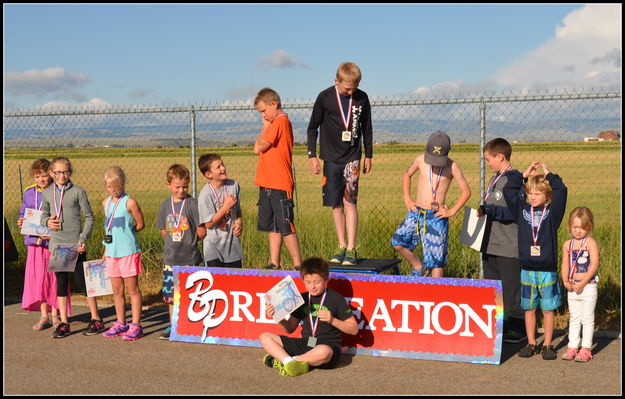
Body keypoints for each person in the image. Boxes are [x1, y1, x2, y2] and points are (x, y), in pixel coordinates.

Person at [306, 61, 373, 265]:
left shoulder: (362, 98)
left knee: (350, 202)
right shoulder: (325, 97)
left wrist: (368, 154)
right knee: (336, 205)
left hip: (352, 157)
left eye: (354, 88)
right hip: (330, 159)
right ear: (336, 81)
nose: (350, 91)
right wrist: (312, 155)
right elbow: (312, 128)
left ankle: (352, 248)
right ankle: (341, 245)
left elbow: (367, 128)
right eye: (346, 88)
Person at [503, 161, 568, 360]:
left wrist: (549, 175)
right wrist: (523, 175)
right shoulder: (521, 208)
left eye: (537, 194)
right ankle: (531, 343)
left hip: (547, 269)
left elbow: (562, 190)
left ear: (547, 196)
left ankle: (547, 344)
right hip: (527, 269)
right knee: (529, 309)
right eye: (529, 193)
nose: (532, 197)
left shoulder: (553, 212)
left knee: (548, 310)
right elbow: (508, 189)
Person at [259, 257, 358, 377]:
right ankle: (290, 362)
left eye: (317, 282)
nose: (312, 286)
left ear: (326, 279)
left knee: (323, 352)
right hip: (306, 344)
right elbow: (290, 328)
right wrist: (276, 317)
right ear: (303, 281)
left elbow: (353, 329)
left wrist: (333, 320)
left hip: (327, 346)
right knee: (264, 337)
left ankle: (287, 361)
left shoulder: (336, 298)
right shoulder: (301, 298)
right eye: (308, 282)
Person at [391, 130, 471, 278]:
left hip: (436, 217)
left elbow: (466, 191)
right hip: (416, 212)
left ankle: (436, 293)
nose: (434, 163)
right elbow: (407, 174)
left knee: (436, 260)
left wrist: (451, 211)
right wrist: (408, 199)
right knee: (398, 242)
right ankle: (418, 267)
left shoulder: (452, 166)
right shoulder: (420, 160)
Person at [40, 156, 104, 338]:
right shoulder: (47, 193)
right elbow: (43, 214)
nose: (62, 175)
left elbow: (90, 218)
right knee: (61, 283)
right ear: (52, 173)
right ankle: (64, 322)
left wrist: (83, 239)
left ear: (70, 173)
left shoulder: (78, 192)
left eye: (66, 172)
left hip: (76, 245)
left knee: (84, 282)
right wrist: (47, 221)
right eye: (58, 172)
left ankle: (96, 319)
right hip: (58, 246)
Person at [477, 138, 526, 343]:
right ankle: (498, 326)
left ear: (500, 157)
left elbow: (513, 212)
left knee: (511, 289)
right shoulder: (497, 178)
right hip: (490, 243)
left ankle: (517, 329)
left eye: (488, 159)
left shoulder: (512, 179)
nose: (487, 163)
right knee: (493, 289)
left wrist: (489, 209)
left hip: (508, 246)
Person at [253, 87, 302, 270]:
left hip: (280, 182)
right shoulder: (272, 124)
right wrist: (265, 127)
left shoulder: (281, 122)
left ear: (274, 104)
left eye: (264, 111)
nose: (263, 116)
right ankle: (274, 262)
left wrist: (265, 126)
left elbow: (261, 146)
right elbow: (256, 148)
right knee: (272, 225)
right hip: (266, 182)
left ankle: (298, 264)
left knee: (286, 225)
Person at [156, 164, 206, 340]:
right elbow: (163, 231)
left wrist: (189, 241)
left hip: (190, 259)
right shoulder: (164, 206)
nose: (181, 190)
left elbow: (201, 230)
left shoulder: (192, 203)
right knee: (171, 296)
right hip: (171, 259)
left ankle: (192, 325)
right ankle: (174, 325)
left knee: (191, 294)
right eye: (177, 186)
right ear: (168, 185)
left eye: (185, 186)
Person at [17, 158, 63, 331]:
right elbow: (23, 212)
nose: (41, 179)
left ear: (50, 175)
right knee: (38, 280)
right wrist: (21, 221)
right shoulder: (29, 193)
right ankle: (44, 315)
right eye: (37, 176)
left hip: (52, 243)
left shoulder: (58, 192)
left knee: (53, 277)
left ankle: (57, 313)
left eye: (44, 175)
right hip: (34, 244)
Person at [100, 166, 146, 341]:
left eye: (117, 187)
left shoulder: (130, 202)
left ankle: (136, 325)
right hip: (112, 253)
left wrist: (128, 234)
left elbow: (140, 224)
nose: (114, 190)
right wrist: (106, 249)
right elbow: (107, 228)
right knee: (117, 291)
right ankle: (121, 323)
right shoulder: (105, 203)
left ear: (123, 184)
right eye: (110, 187)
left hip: (128, 252)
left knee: (133, 290)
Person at [560, 207, 599, 363]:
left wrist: (582, 283)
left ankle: (586, 349)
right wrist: (565, 280)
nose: (578, 231)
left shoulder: (590, 242)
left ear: (588, 227)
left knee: (587, 318)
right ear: (570, 226)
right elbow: (565, 264)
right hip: (573, 287)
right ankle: (572, 346)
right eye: (575, 227)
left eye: (582, 228)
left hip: (588, 285)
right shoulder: (567, 244)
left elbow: (594, 264)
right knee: (574, 317)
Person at [198, 153, 243, 268]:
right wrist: (225, 207)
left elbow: (237, 210)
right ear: (208, 174)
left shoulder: (234, 185)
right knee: (217, 284)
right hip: (214, 249)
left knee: (235, 283)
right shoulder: (205, 194)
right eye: (218, 167)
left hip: (232, 246)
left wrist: (239, 222)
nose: (223, 168)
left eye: (222, 164)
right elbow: (208, 224)